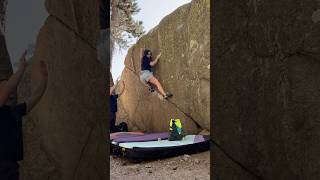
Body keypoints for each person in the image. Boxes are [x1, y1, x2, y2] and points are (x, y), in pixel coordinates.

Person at [0, 51, 48, 180]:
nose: (10, 94)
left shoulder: (13, 111)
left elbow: (35, 98)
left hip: (11, 168)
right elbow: (8, 88)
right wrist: (22, 68)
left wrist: (44, 78)